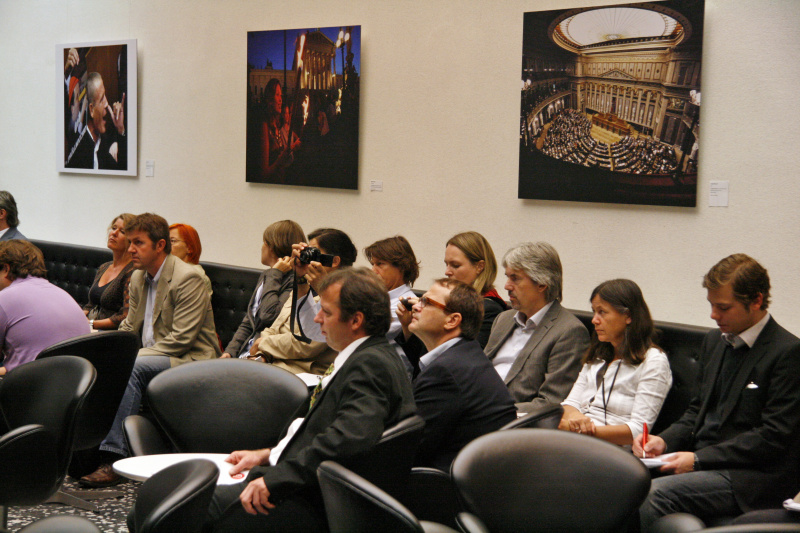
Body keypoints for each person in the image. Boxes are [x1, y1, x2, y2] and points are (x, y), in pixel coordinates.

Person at [199, 268, 416, 532]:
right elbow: (329, 431)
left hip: (310, 501)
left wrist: (276, 480)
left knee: (188, 506)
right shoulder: (371, 355)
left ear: (356, 320)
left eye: (326, 311)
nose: (317, 318)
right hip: (310, 488)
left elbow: (348, 438)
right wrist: (270, 454)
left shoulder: (370, 366)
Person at [634, 254, 800, 530]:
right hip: (704, 462)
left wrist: (699, 459)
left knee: (650, 496)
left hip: (750, 477)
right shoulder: (715, 341)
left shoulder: (787, 353)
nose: (713, 315)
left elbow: (772, 437)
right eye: (711, 305)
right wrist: (662, 441)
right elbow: (696, 411)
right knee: (617, 477)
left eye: (723, 307)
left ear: (756, 301)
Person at [80, 213, 221, 487]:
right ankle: (81, 452)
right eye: (130, 242)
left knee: (132, 367)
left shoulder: (188, 278)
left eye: (138, 243)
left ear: (160, 245)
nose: (130, 249)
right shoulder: (137, 278)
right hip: (151, 356)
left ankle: (113, 459)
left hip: (190, 360)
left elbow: (181, 340)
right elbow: (129, 329)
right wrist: (109, 354)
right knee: (97, 361)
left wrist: (128, 358)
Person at [409, 278, 516, 470]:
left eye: (426, 302)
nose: (416, 306)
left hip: (444, 489)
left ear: (452, 320)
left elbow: (410, 449)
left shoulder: (446, 372)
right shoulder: (466, 354)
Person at [559, 279, 672, 445]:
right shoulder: (598, 354)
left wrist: (581, 430)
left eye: (602, 312)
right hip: (576, 438)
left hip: (612, 449)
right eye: (594, 312)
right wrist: (576, 418)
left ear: (628, 316)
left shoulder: (653, 362)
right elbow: (570, 403)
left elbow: (637, 431)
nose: (594, 320)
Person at [484, 242, 589, 413]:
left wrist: (491, 411)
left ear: (541, 283)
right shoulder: (503, 319)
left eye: (515, 278)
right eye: (507, 277)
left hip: (510, 423)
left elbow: (551, 403)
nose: (506, 286)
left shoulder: (569, 332)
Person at [246, 228, 350, 375]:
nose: (308, 257)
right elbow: (275, 326)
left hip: (301, 374)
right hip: (272, 362)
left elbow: (307, 343)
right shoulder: (304, 284)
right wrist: (263, 354)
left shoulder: (345, 296)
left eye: (314, 253)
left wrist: (263, 344)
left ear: (334, 261)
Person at [0, 240, 89, 376]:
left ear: (6, 269)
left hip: (31, 389)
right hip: (74, 388)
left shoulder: (4, 298)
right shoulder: (63, 294)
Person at [221, 220, 305, 359]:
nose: (261, 247)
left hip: (264, 356)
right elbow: (249, 321)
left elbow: (268, 316)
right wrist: (229, 352)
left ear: (272, 246)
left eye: (264, 242)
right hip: (244, 353)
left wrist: (275, 274)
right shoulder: (267, 275)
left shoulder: (295, 281)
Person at [442, 231, 507, 348]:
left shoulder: (489, 310)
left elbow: (469, 357)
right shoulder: (450, 301)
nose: (447, 272)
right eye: (446, 264)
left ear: (479, 267)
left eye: (455, 265)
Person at [83, 213, 136, 330]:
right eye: (113, 228)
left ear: (132, 240)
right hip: (91, 327)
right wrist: (78, 317)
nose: (114, 233)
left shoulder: (132, 272)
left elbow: (125, 316)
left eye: (122, 231)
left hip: (110, 334)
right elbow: (90, 304)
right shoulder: (104, 267)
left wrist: (91, 324)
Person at [66, 72, 126, 170]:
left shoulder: (102, 140)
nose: (107, 103)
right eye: (102, 99)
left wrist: (120, 129)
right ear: (91, 110)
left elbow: (122, 170)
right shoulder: (80, 155)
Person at [169, 223, 212, 295]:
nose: (165, 246)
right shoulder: (168, 270)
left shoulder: (193, 277)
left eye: (172, 241)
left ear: (189, 248)